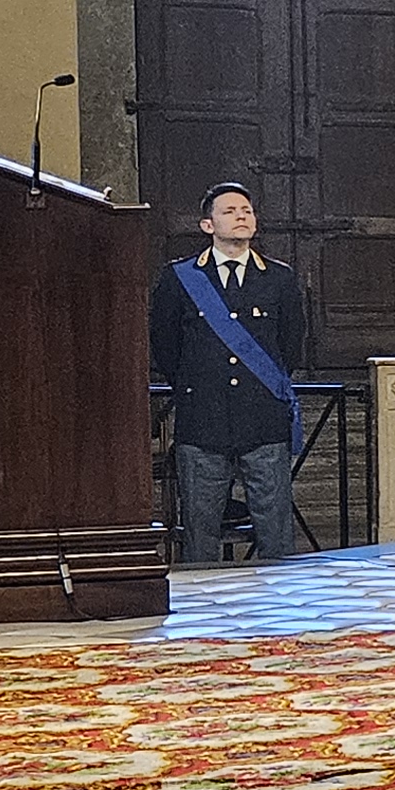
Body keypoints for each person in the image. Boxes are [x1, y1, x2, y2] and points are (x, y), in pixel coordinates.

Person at [150, 182, 313, 563]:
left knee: (275, 531)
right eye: (229, 211)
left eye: (247, 211)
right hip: (203, 420)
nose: (241, 216)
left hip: (262, 419)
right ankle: (205, 614)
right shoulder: (179, 278)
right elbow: (165, 344)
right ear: (207, 225)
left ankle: (279, 611)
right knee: (200, 531)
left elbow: (290, 343)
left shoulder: (279, 277)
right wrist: (196, 384)